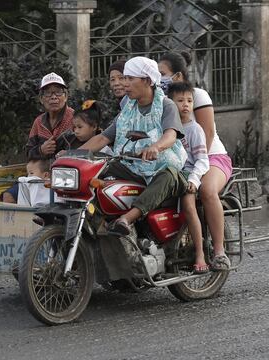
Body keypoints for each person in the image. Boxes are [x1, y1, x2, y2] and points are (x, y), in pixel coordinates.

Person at [79, 56, 188, 235]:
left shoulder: (166, 105)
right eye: (123, 78)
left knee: (168, 176)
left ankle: (127, 219)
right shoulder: (127, 110)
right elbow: (102, 139)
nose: (124, 84)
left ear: (146, 80)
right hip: (132, 166)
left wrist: (156, 147)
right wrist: (72, 154)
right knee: (100, 167)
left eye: (129, 79)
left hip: (163, 167)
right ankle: (92, 221)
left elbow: (171, 135)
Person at [159, 51, 234, 271]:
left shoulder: (197, 95)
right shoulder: (161, 100)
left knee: (207, 191)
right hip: (179, 163)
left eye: (162, 73)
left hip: (209, 157)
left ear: (177, 75)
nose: (158, 78)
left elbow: (207, 134)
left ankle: (219, 252)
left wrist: (195, 172)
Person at [167, 81, 210, 274]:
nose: (185, 104)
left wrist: (193, 180)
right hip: (167, 172)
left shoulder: (195, 130)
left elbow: (202, 160)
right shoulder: (165, 127)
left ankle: (200, 253)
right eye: (180, 100)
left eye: (189, 100)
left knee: (189, 206)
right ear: (169, 102)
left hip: (187, 174)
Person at [25, 72, 74, 160]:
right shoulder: (38, 122)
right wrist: (41, 150)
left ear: (66, 96)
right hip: (43, 172)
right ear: (41, 99)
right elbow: (28, 152)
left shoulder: (75, 118)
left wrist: (69, 154)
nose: (54, 97)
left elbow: (89, 147)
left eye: (58, 92)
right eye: (48, 93)